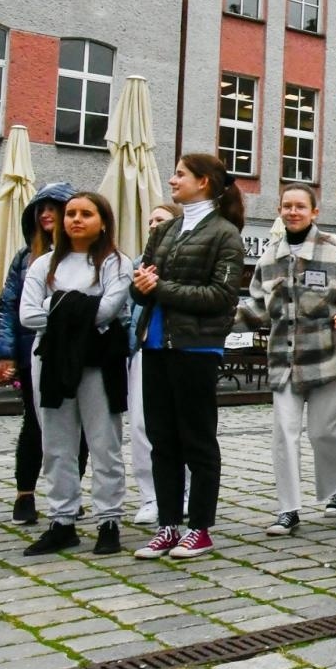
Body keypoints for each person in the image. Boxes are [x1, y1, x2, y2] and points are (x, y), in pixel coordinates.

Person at [130, 154, 244, 560]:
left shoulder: (225, 234)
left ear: (205, 182)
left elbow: (221, 297)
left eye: (180, 174)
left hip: (197, 347)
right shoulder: (168, 229)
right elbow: (142, 284)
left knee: (197, 439)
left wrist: (159, 287)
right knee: (161, 439)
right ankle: (167, 525)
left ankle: (199, 527)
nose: (172, 179)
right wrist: (141, 285)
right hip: (157, 342)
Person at [235, 184, 336, 538]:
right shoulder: (270, 255)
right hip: (283, 361)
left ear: (314, 212)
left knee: (323, 432)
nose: (292, 212)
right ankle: (288, 508)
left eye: (300, 206)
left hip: (327, 359)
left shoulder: (335, 250)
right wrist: (217, 318)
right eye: (286, 206)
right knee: (283, 435)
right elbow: (257, 306)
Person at [20, 193, 131, 557]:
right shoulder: (43, 265)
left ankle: (109, 519)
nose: (76, 220)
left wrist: (58, 309)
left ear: (103, 221)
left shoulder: (116, 264)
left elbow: (109, 310)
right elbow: (27, 315)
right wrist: (77, 310)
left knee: (104, 442)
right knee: (56, 443)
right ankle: (62, 519)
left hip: (98, 360)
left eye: (86, 213)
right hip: (52, 361)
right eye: (70, 213)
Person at [0, 181, 78, 524]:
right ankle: (24, 494)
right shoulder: (26, 257)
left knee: (80, 428)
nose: (45, 214)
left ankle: (69, 493)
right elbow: (8, 307)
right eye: (40, 209)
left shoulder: (86, 255)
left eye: (52, 208)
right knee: (35, 422)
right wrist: (4, 352)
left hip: (76, 351)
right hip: (34, 351)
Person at [125, 202, 180, 526]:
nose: (153, 225)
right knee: (142, 426)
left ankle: (182, 493)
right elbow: (125, 308)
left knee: (180, 426)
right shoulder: (138, 264)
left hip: (179, 349)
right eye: (150, 221)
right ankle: (150, 496)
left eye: (160, 220)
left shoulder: (187, 264)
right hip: (143, 350)